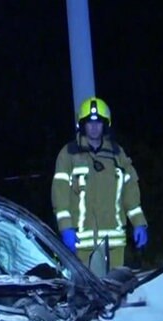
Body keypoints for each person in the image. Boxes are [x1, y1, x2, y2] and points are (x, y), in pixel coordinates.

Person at [51, 96, 148, 269]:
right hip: (80, 245)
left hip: (115, 244)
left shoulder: (118, 155)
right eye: (89, 122)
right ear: (82, 125)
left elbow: (130, 193)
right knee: (85, 294)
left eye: (98, 122)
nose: (94, 127)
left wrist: (139, 223)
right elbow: (60, 196)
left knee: (115, 293)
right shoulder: (68, 154)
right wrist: (66, 228)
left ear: (105, 125)